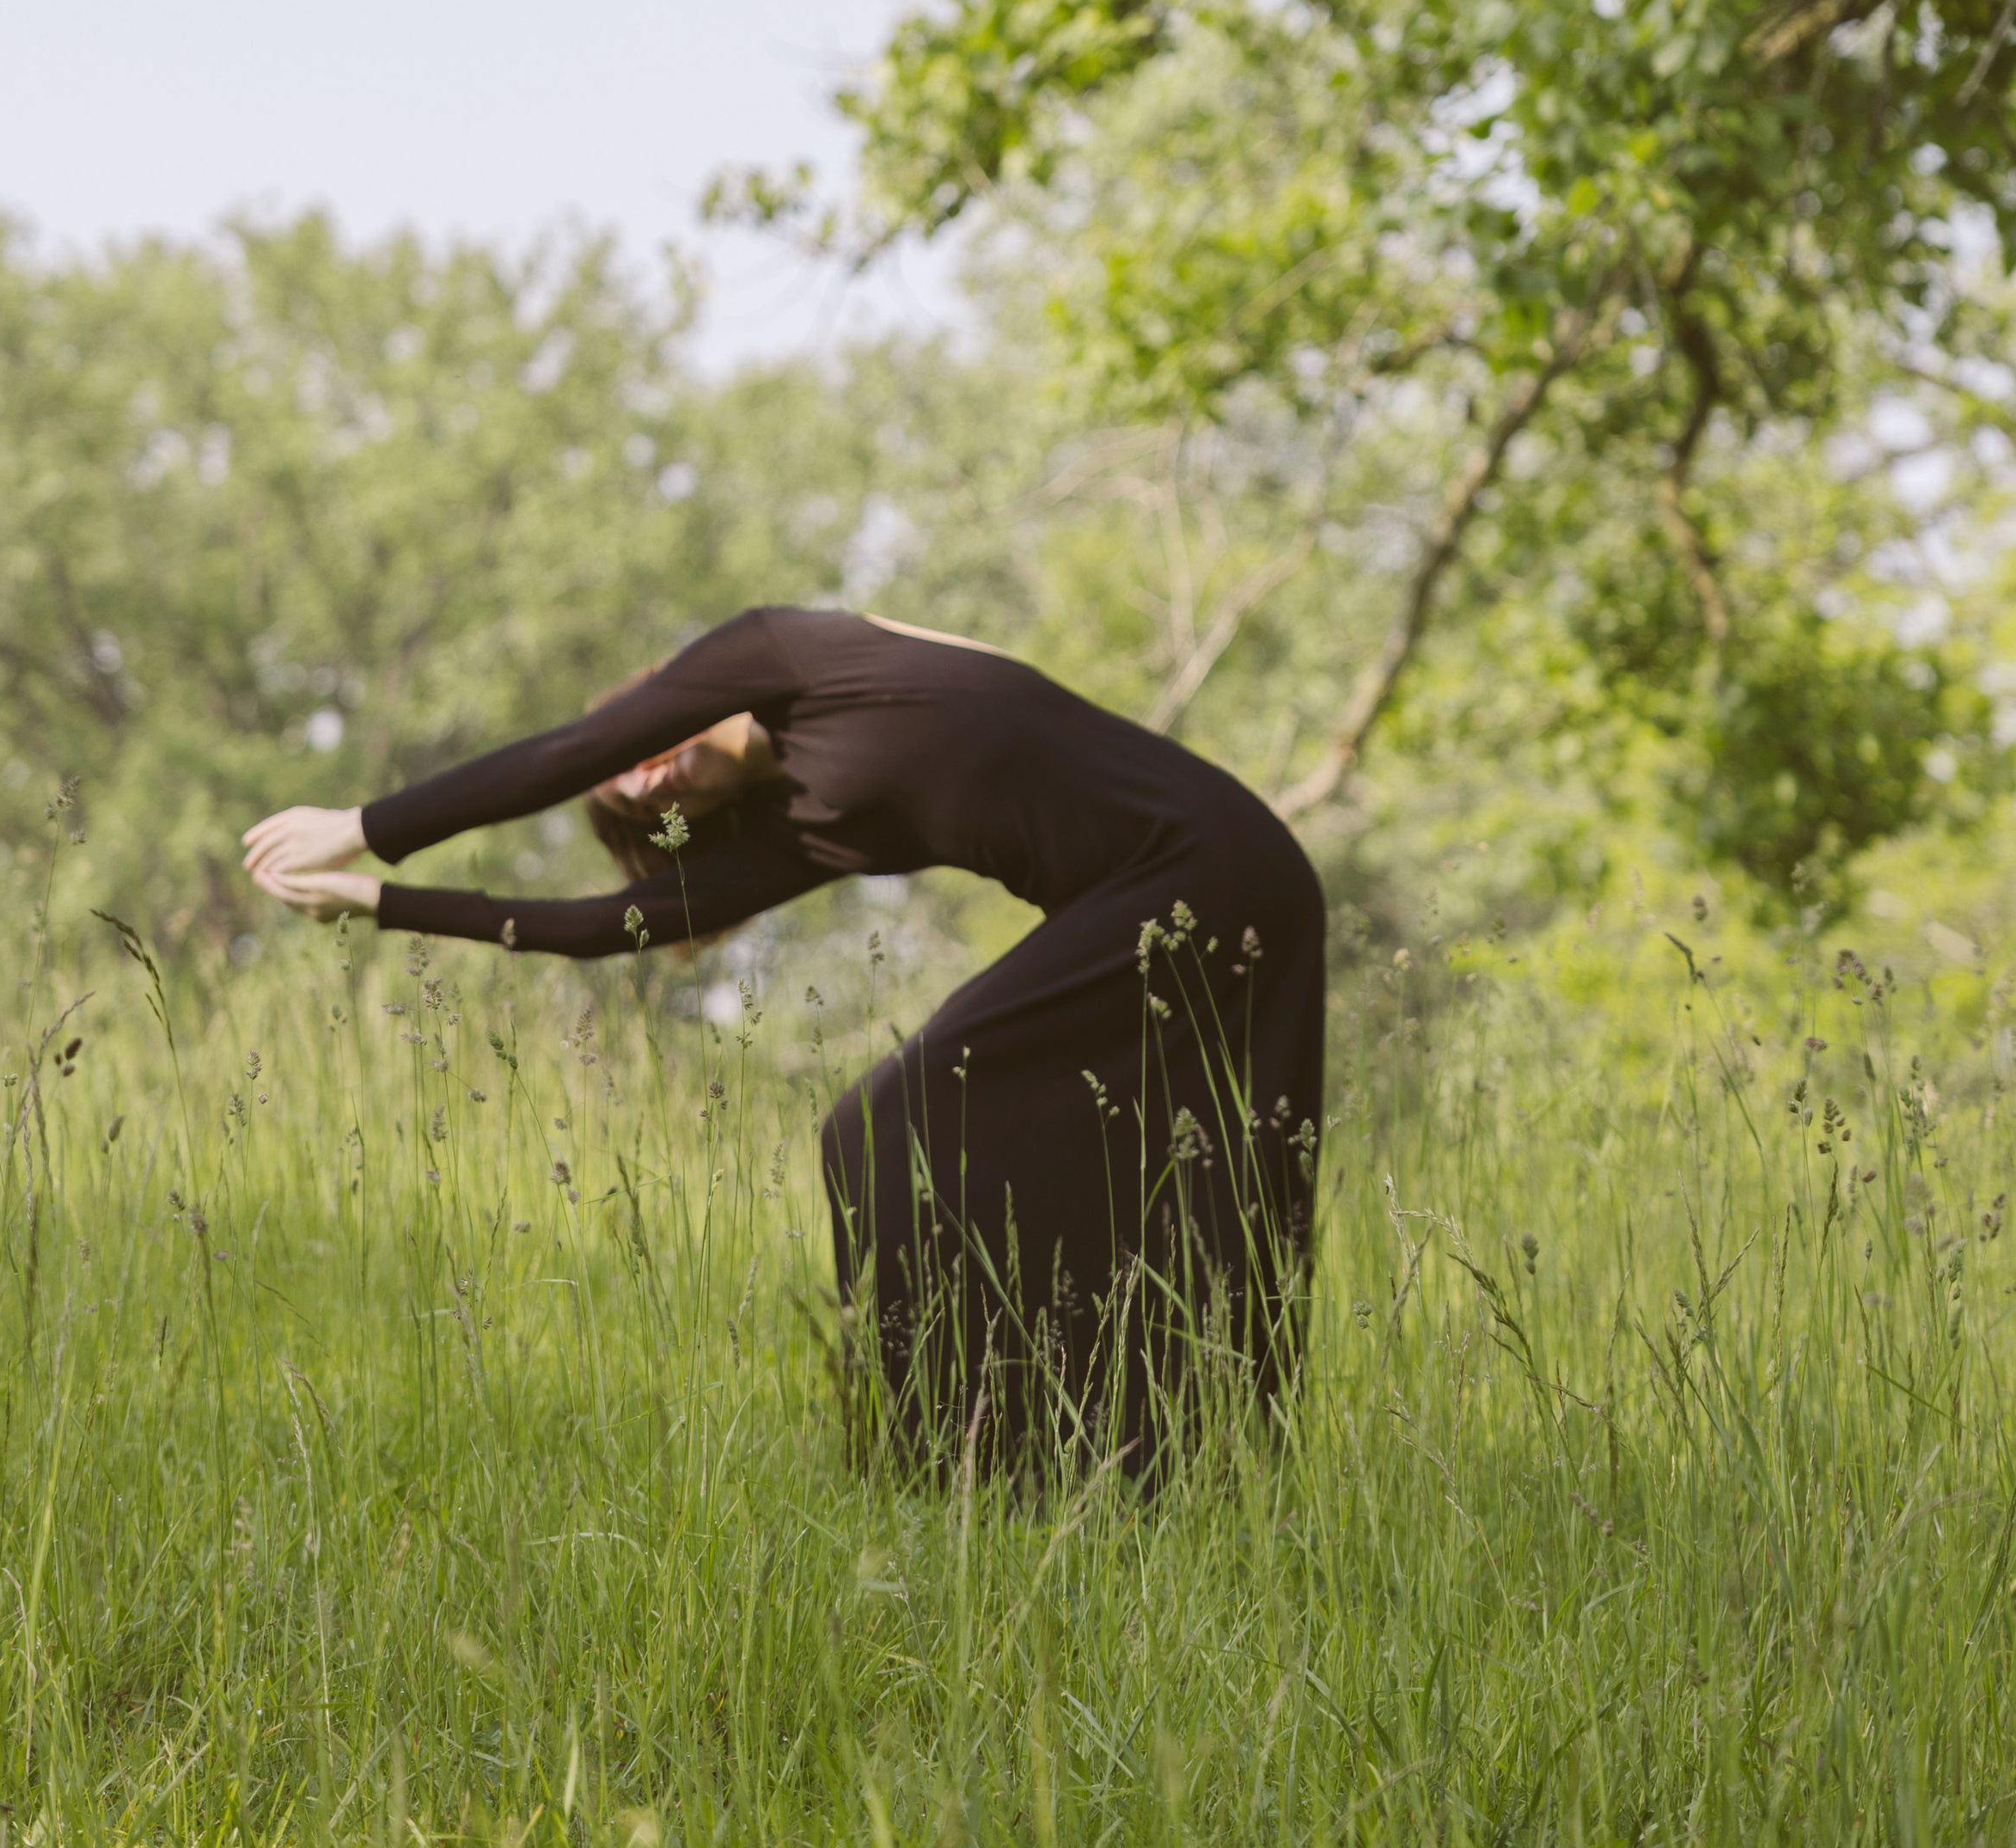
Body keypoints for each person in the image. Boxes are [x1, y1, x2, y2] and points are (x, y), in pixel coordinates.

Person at [243, 606, 1324, 1474]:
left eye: (633, 756)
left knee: (893, 1119)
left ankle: (955, 1457)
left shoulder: (783, 654)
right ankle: (1097, 1451)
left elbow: (566, 750)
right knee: (987, 1143)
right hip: (1154, 890)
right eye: (636, 795)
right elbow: (593, 929)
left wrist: (361, 824)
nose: (647, 773)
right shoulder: (807, 826)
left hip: (1206, 858)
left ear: (650, 709)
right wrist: (378, 903)